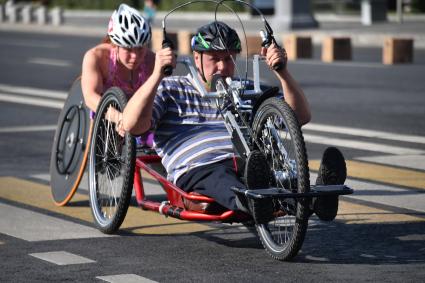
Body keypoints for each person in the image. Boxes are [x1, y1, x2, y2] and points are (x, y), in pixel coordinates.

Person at [121, 21, 346, 221]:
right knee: (222, 177)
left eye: (228, 59)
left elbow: (299, 117)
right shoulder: (171, 88)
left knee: (274, 173)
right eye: (214, 59)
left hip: (249, 160)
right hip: (201, 166)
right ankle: (254, 203)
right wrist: (156, 75)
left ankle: (318, 200)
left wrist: (283, 72)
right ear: (196, 58)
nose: (222, 67)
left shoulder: (245, 88)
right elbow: (133, 125)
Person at [82, 3, 167, 136]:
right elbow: (90, 97)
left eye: (140, 48)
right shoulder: (96, 57)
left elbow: (160, 98)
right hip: (107, 112)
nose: (135, 56)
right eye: (128, 49)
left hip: (137, 115)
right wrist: (119, 118)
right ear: (115, 45)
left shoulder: (151, 60)